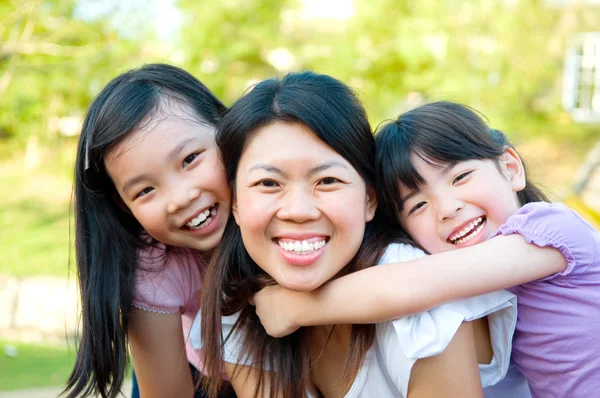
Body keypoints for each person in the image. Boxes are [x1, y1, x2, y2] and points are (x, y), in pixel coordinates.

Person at [192, 73, 522, 398]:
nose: (299, 210)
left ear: (369, 199)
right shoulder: (238, 301)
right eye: (268, 184)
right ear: (235, 203)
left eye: (327, 181)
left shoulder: (419, 302)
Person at [252, 101, 600, 397]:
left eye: (460, 177)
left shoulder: (550, 230)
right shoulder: (486, 293)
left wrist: (295, 306)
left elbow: (408, 285)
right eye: (417, 206)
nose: (447, 208)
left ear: (510, 168)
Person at [63, 64, 235, 398]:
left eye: (190, 159)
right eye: (145, 191)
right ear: (124, 206)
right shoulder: (153, 267)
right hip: (201, 376)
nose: (179, 199)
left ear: (227, 131)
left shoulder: (286, 205)